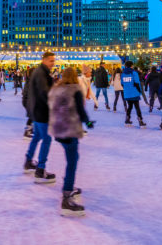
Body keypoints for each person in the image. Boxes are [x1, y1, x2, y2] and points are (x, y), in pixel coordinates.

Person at [48, 67, 94, 217]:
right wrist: (88, 123)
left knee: (71, 159)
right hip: (69, 130)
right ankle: (67, 198)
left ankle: (68, 185)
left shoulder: (56, 89)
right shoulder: (75, 90)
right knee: (72, 161)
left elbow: (51, 108)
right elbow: (81, 111)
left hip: (58, 130)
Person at [24, 51, 56, 183]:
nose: (53, 64)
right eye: (51, 61)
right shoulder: (41, 73)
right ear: (44, 60)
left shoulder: (40, 72)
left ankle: (28, 161)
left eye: (54, 61)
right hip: (41, 111)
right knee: (47, 139)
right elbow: (45, 92)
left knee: (37, 137)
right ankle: (40, 169)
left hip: (36, 110)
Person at [122, 60, 146, 128]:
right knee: (137, 107)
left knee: (129, 106)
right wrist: (140, 91)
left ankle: (127, 119)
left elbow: (122, 83)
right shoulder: (134, 73)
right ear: (131, 66)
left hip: (127, 93)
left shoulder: (123, 74)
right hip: (134, 93)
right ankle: (140, 120)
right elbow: (137, 83)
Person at [22, 68, 35, 140]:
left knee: (32, 116)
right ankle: (27, 132)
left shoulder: (31, 80)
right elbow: (28, 93)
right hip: (28, 101)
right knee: (32, 116)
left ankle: (30, 130)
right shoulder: (30, 81)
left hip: (28, 101)